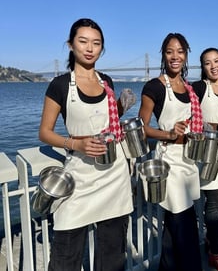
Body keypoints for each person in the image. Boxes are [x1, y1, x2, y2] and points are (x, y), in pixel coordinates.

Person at [39, 18, 135, 271]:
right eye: (83, 41)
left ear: (102, 48)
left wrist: (122, 108)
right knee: (65, 255)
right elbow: (45, 133)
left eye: (96, 43)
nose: (90, 48)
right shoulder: (59, 85)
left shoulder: (107, 82)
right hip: (79, 177)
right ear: (71, 45)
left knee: (113, 256)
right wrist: (75, 144)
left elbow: (105, 123)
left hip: (114, 175)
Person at [138, 33, 202, 271]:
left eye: (180, 51)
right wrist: (168, 134)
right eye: (169, 51)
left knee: (174, 224)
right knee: (184, 222)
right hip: (169, 160)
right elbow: (140, 128)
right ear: (163, 55)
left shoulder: (189, 87)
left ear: (186, 55)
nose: (175, 56)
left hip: (188, 157)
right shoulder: (154, 86)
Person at [191, 48, 218, 271]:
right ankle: (216, 252)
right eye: (207, 63)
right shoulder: (199, 88)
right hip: (205, 151)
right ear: (203, 67)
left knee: (215, 201)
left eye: (216, 61)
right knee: (214, 201)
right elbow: (186, 112)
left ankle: (209, 240)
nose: (213, 66)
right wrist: (203, 126)